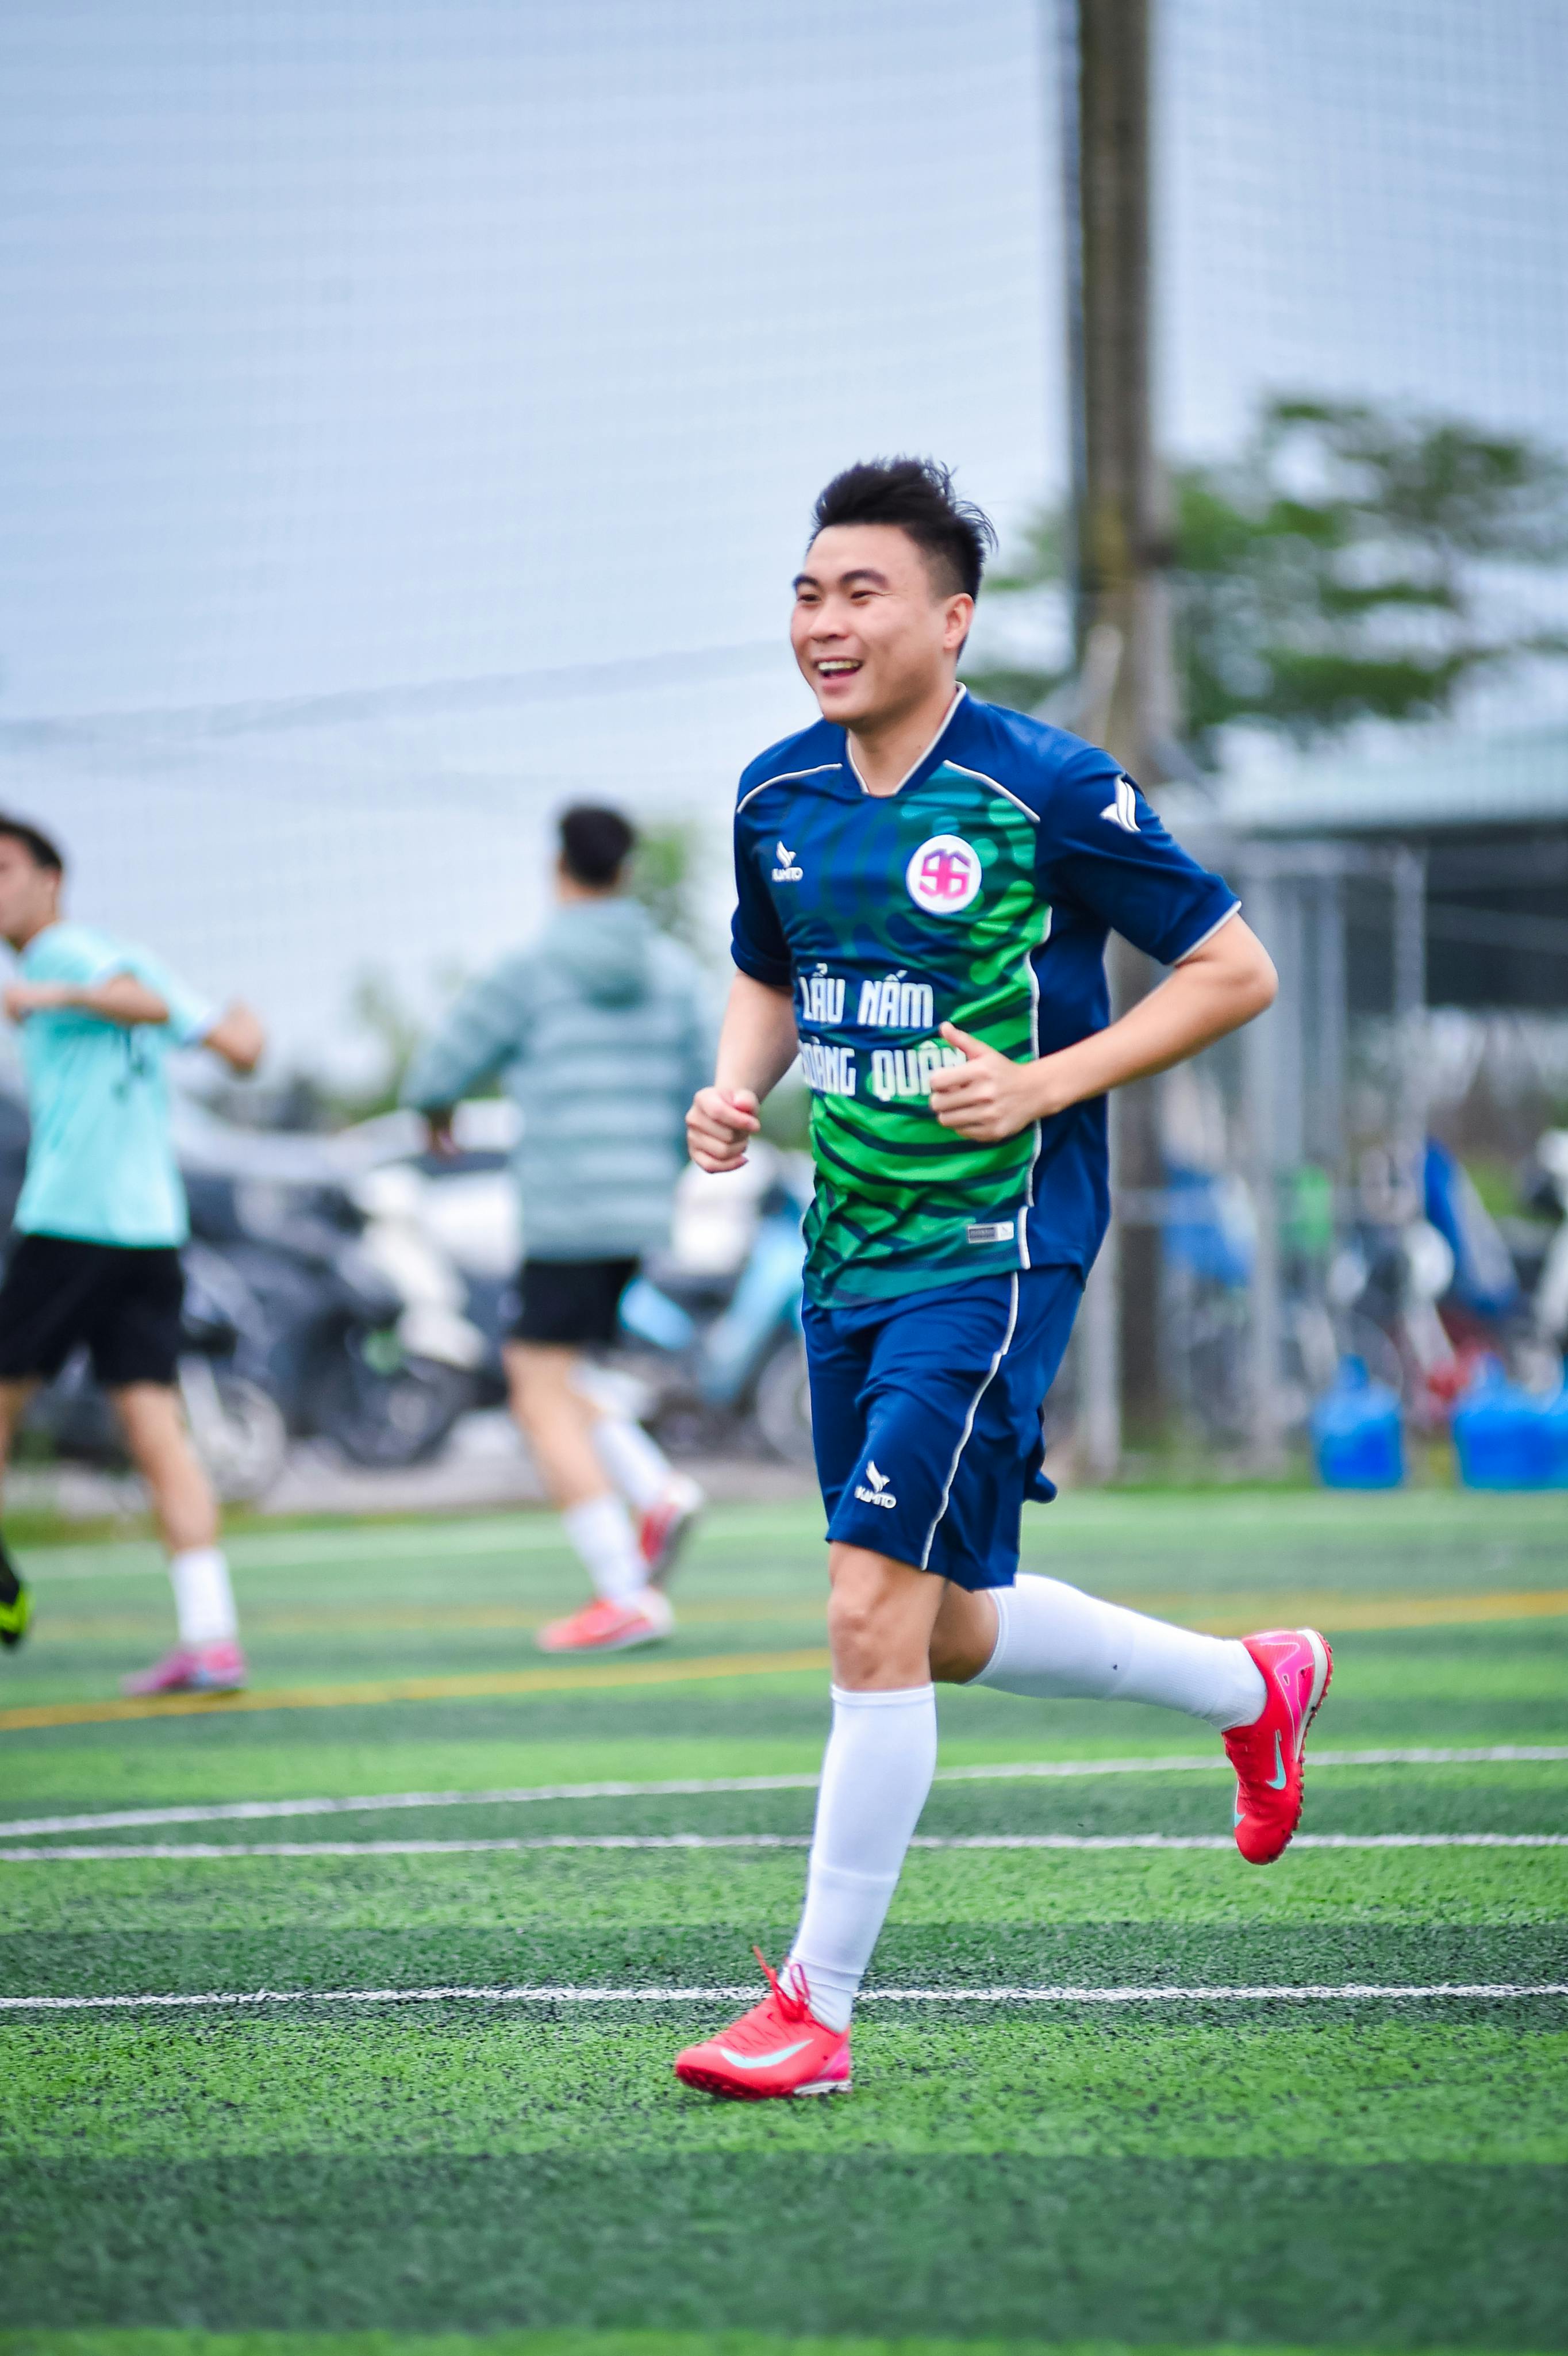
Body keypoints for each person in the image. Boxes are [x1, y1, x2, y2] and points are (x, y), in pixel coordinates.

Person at [672, 458, 1332, 2102]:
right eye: (808, 593)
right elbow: (769, 971)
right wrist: (737, 1086)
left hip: (996, 1251)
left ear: (952, 619)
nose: (824, 622)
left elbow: (1232, 969)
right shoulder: (773, 793)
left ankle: (813, 2012)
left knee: (862, 1606)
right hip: (847, 1250)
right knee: (942, 1622)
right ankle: (1252, 1685)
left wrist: (1045, 1083)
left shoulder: (1046, 785)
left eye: (862, 592)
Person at [402, 804, 710, 1652]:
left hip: (565, 1208)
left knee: (535, 1388)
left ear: (558, 868)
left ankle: (624, 1588)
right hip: (640, 1208)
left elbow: (437, 1069)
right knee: (566, 1372)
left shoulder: (532, 966)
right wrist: (662, 1168)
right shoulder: (674, 970)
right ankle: (655, 1491)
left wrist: (436, 1116)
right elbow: (710, 1079)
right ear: (627, 871)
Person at [0, 815, 264, 1689]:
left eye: (3, 868)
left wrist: (48, 996)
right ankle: (212, 1636)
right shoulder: (126, 954)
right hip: (151, 1231)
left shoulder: (62, 953)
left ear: (50, 879)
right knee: (155, 1430)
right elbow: (240, 1047)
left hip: (75, 1222)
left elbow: (140, 1003)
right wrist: (241, 1020)